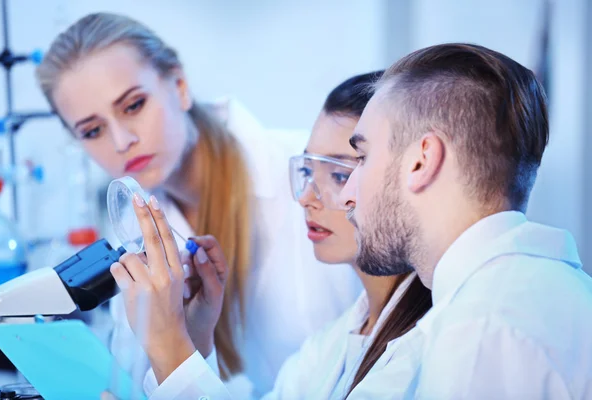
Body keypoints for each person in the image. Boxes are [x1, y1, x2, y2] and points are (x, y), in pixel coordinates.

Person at [35, 12, 361, 397]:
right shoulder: (133, 230)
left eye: (134, 105)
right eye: (93, 131)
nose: (121, 141)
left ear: (180, 85)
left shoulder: (316, 176)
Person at [109, 71, 431, 399]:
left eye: (337, 173)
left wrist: (171, 350)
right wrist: (196, 336)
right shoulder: (325, 350)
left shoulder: (424, 352)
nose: (306, 196)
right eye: (307, 170)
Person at [337, 43, 592, 398]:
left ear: (421, 161)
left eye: (362, 157)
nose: (345, 194)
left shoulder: (482, 331)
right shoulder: (538, 292)